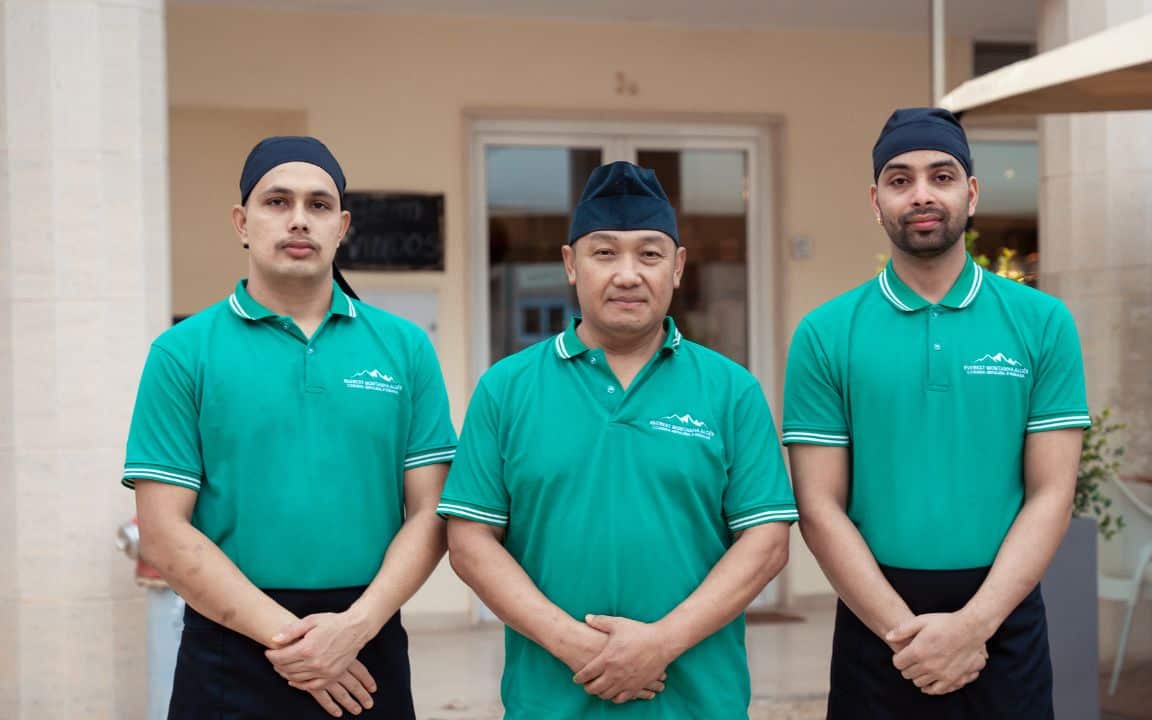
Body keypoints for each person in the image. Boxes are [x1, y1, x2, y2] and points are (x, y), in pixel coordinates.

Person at [440, 161, 798, 719]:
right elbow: (469, 543)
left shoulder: (730, 390)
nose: (628, 274)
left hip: (697, 702)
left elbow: (766, 543)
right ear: (570, 264)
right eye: (604, 253)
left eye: (649, 254)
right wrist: (575, 645)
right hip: (550, 700)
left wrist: (661, 643)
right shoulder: (507, 389)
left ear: (677, 268)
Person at [122, 136, 457, 718]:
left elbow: (431, 510)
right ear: (241, 222)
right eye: (277, 202)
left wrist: (354, 627)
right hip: (230, 646)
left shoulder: (405, 349)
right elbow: (163, 531)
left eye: (319, 205)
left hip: (365, 642)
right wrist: (294, 641)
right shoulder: (182, 353)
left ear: (342, 226)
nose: (299, 219)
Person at [785, 107, 1090, 719]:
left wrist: (973, 626)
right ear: (876, 201)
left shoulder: (1042, 323)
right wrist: (909, 638)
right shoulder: (825, 333)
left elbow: (1053, 492)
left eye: (941, 176)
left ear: (971, 193)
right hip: (878, 626)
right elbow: (819, 507)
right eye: (900, 180)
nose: (921, 194)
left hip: (1004, 619)